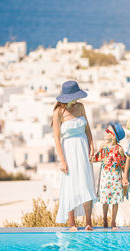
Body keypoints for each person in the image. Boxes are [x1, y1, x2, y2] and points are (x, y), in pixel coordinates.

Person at [53, 80, 97, 231]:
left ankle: (88, 222)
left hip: (83, 147)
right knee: (70, 184)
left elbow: (88, 129)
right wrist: (62, 161)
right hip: (69, 150)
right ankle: (71, 223)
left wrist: (92, 146)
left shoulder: (81, 107)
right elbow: (56, 139)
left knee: (86, 182)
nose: (77, 99)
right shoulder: (58, 112)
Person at [91, 122, 126, 230]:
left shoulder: (119, 149)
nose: (105, 132)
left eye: (108, 131)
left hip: (116, 177)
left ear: (114, 136)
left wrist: (125, 177)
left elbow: (124, 164)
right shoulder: (103, 147)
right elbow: (96, 158)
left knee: (115, 201)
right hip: (106, 177)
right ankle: (105, 219)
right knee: (105, 200)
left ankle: (113, 222)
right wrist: (98, 158)